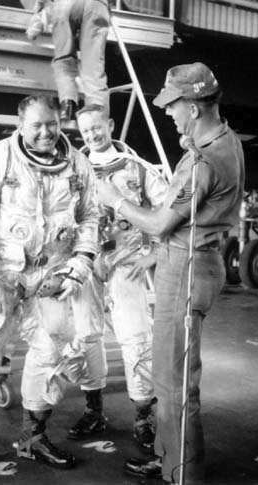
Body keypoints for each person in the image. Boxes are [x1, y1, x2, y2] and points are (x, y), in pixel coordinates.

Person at [95, 62, 245, 484]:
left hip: (185, 271)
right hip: (195, 262)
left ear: (194, 109)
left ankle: (182, 475)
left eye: (173, 105)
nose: (168, 112)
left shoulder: (200, 162)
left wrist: (115, 201)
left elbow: (162, 223)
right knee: (171, 377)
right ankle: (169, 459)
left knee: (173, 383)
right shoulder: (229, 141)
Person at [0, 94, 99, 474]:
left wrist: (73, 272)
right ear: (20, 125)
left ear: (60, 121)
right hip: (3, 277)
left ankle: (33, 437)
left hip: (51, 280)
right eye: (36, 125)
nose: (46, 132)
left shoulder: (78, 165)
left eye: (51, 123)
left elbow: (90, 219)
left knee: (49, 354)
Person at [67, 104, 168, 452]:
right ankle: (93, 410)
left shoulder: (137, 169)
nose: (93, 135)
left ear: (109, 124)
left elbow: (169, 211)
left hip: (126, 263)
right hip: (86, 265)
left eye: (98, 127)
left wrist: (153, 253)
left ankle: (143, 416)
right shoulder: (71, 169)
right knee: (85, 335)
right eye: (86, 131)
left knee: (136, 338)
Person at [30, 0, 110, 121]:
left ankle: (68, 104)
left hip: (66, 4)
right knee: (93, 67)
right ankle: (97, 118)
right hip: (97, 4)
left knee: (64, 58)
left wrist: (38, 11)